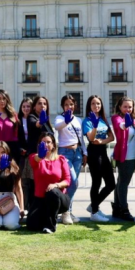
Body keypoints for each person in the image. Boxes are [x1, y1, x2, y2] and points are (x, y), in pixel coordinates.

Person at [27, 133, 71, 234]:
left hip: (58, 198)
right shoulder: (34, 157)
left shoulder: (61, 159)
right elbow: (35, 160)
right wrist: (40, 156)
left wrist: (56, 185)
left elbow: (67, 181)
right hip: (41, 199)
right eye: (43, 142)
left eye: (48, 142)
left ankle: (51, 226)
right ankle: (47, 218)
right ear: (39, 145)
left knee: (52, 192)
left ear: (53, 145)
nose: (46, 144)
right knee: (32, 225)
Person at [82, 95, 115, 222]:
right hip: (93, 153)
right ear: (89, 106)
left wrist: (102, 141)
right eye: (93, 104)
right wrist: (95, 127)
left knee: (111, 184)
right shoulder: (87, 121)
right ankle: (94, 212)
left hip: (103, 151)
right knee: (96, 182)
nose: (96, 106)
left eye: (98, 104)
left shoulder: (103, 119)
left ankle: (93, 205)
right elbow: (90, 138)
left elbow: (111, 137)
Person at [54, 94, 87, 224]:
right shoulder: (59, 118)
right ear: (63, 106)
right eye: (66, 104)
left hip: (77, 153)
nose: (69, 107)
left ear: (75, 106)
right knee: (72, 182)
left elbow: (81, 139)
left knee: (73, 184)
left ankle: (68, 211)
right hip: (65, 153)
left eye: (71, 104)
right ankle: (64, 210)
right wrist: (65, 121)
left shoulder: (78, 120)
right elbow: (57, 127)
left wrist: (85, 153)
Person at [110, 96, 135, 222]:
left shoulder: (134, 121)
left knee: (121, 182)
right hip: (124, 155)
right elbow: (119, 126)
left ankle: (117, 208)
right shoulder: (117, 118)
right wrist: (124, 125)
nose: (128, 109)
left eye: (130, 107)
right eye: (125, 106)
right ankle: (124, 209)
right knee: (123, 183)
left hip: (134, 155)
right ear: (120, 107)